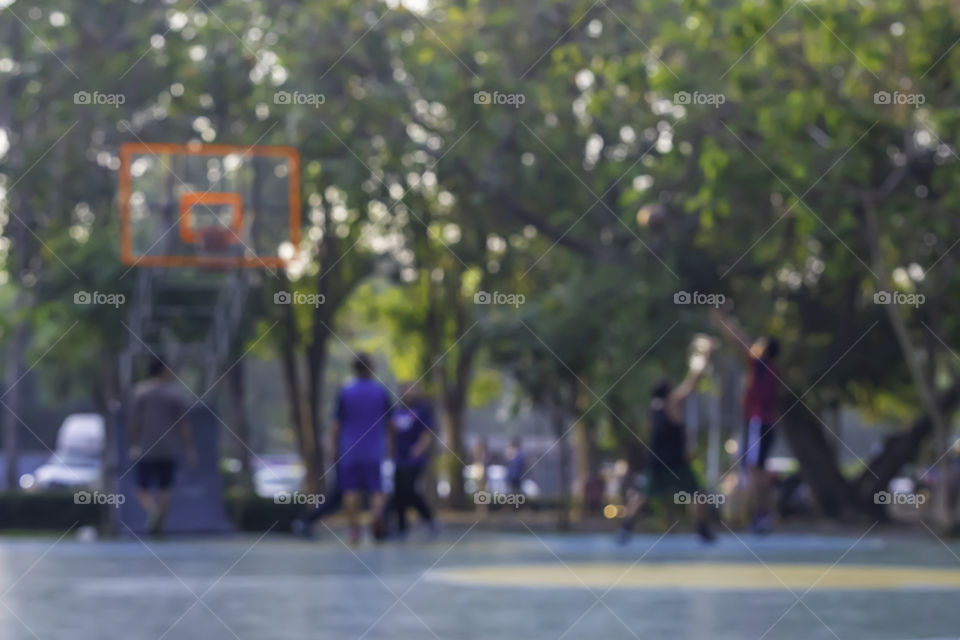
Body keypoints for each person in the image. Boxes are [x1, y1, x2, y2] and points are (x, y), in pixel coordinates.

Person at [617, 343, 716, 544]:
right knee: (698, 494)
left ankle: (625, 528)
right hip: (674, 463)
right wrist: (705, 355)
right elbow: (692, 382)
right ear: (668, 393)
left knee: (642, 495)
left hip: (657, 461)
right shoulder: (672, 404)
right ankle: (702, 529)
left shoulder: (653, 410)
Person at [710, 307, 780, 534]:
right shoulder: (769, 369)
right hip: (763, 423)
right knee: (756, 469)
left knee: (755, 470)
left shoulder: (762, 365)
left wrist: (723, 320)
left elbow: (741, 342)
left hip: (758, 423)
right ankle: (762, 515)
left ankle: (763, 515)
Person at [128, 357, 196, 537]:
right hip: (168, 448)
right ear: (163, 370)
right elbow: (183, 424)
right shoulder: (174, 393)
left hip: (146, 448)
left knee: (142, 489)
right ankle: (160, 524)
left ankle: (153, 512)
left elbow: (135, 422)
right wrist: (189, 448)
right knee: (165, 488)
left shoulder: (140, 391)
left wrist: (134, 444)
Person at [331, 353, 392, 544]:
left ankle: (354, 529)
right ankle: (376, 517)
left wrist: (333, 446)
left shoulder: (345, 391)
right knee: (377, 490)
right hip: (374, 450)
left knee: (350, 490)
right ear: (369, 368)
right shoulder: (380, 392)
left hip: (349, 450)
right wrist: (391, 445)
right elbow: (390, 424)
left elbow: (337, 424)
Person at [389, 382, 438, 537]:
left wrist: (419, 448)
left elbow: (427, 433)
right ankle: (402, 525)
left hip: (415, 459)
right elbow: (391, 433)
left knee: (409, 490)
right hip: (399, 458)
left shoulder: (422, 410)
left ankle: (430, 519)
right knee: (398, 492)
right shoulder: (397, 411)